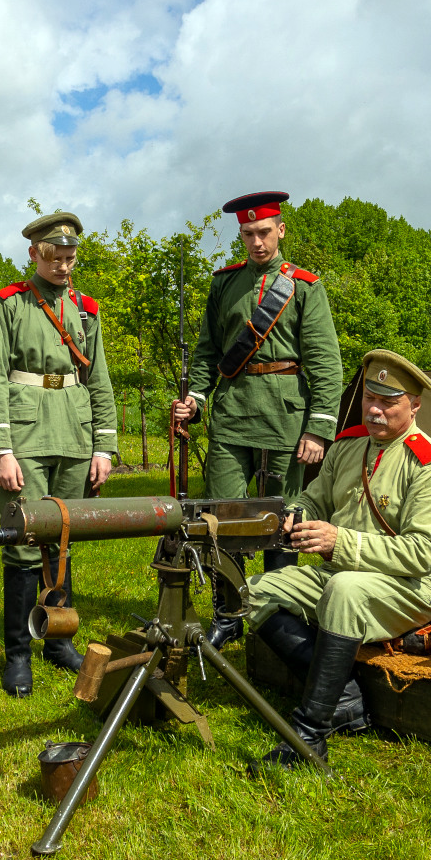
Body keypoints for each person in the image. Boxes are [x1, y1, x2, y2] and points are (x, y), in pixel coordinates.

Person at [229, 349, 431, 772]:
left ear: (414, 406)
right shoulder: (348, 448)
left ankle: (308, 736)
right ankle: (347, 699)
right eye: (369, 398)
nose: (374, 410)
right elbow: (313, 500)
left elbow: (422, 553)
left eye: (388, 403)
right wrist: (296, 516)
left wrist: (339, 543)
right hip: (343, 573)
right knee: (255, 593)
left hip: (410, 587)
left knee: (344, 589)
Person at [172, 191, 342, 587]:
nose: (257, 242)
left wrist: (318, 428)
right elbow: (208, 352)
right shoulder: (224, 283)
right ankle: (227, 615)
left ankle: (275, 611)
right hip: (232, 415)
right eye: (248, 234)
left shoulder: (304, 287)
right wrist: (195, 399)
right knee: (222, 518)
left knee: (284, 521)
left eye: (264, 232)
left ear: (280, 230)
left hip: (286, 417)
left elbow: (325, 363)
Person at [0, 211, 118, 697]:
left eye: (70, 258)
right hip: (25, 434)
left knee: (63, 539)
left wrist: (105, 445)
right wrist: (1, 450)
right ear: (34, 255)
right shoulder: (12, 305)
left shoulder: (86, 309)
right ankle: (18, 654)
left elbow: (99, 379)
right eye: (54, 258)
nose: (63, 266)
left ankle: (58, 642)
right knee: (22, 540)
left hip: (75, 434)